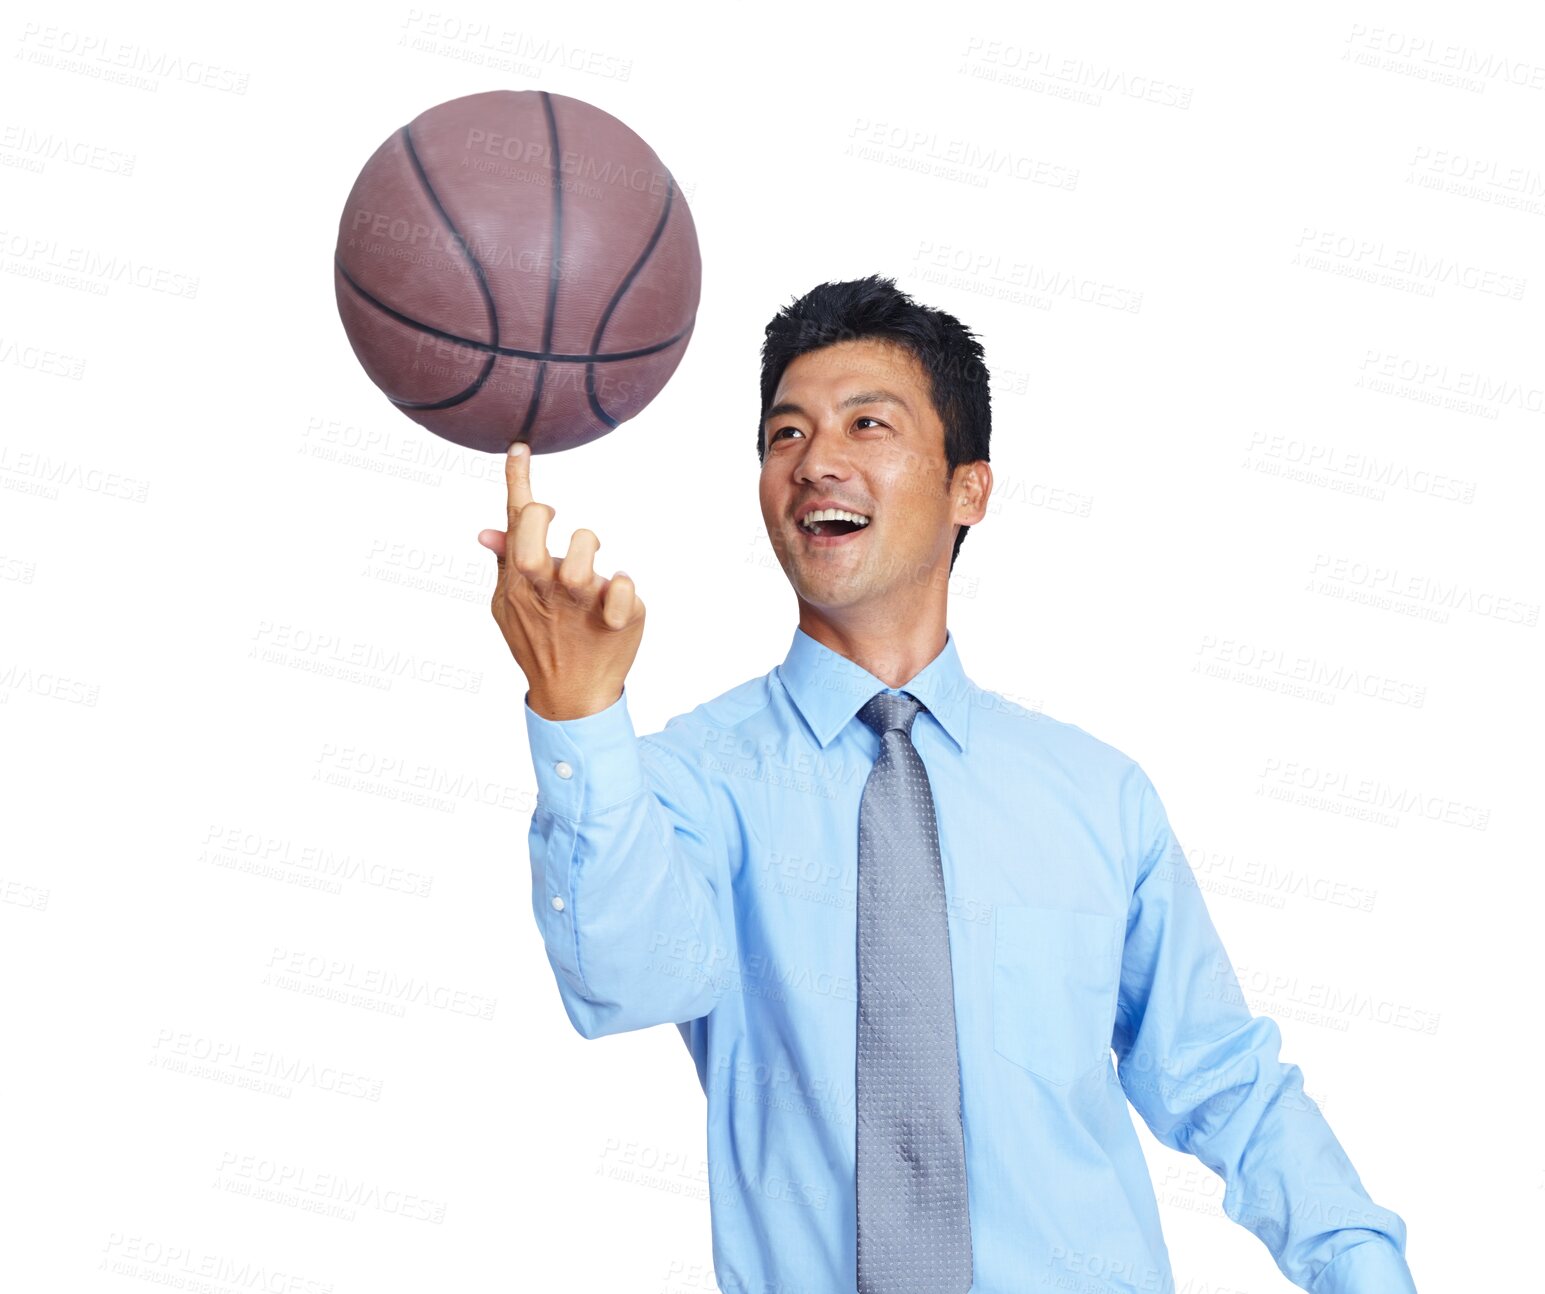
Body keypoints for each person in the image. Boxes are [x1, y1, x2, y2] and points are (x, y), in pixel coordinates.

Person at [476, 276, 1418, 1294]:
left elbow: (1222, 1080)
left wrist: (1362, 1267)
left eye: (865, 423)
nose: (815, 462)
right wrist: (577, 715)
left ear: (970, 488)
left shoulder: (1097, 798)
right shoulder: (691, 780)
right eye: (784, 435)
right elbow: (627, 980)